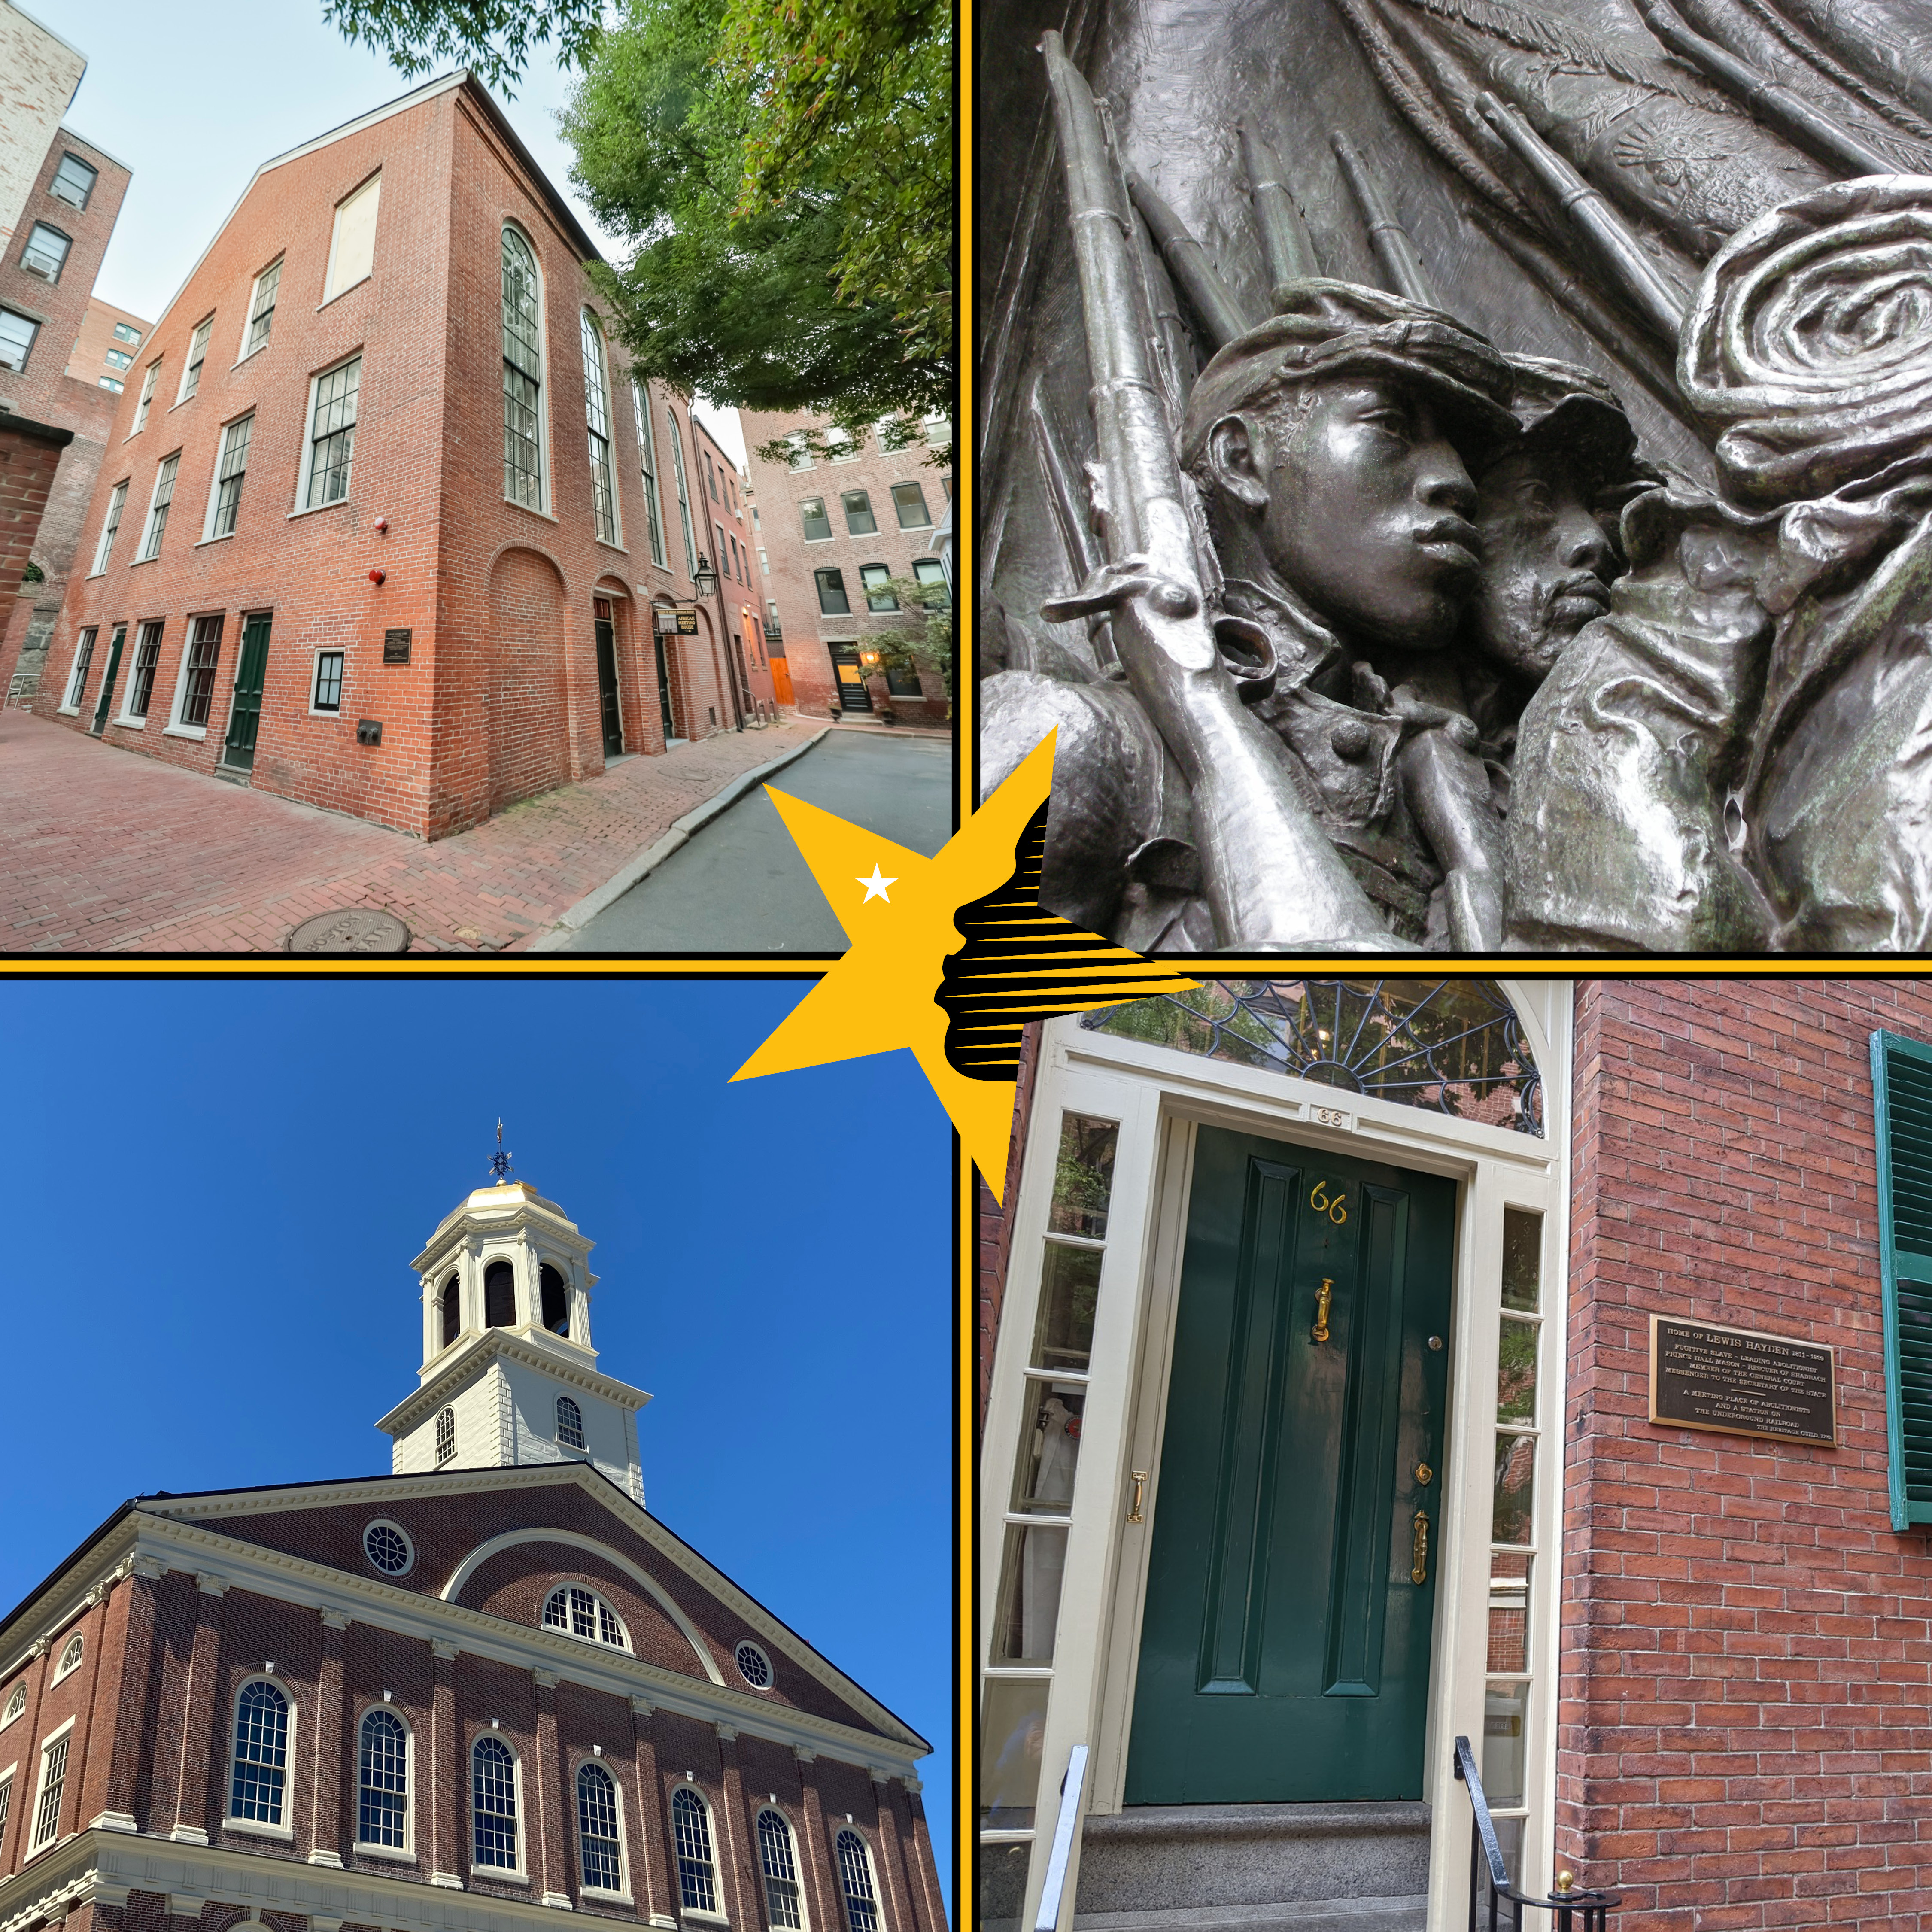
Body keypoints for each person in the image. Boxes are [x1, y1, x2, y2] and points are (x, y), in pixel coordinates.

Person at [981, 277, 1520, 951]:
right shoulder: (1068, 738)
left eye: (1461, 456)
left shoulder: (1444, 776)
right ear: (1241, 461)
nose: (1456, 482)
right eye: (1390, 426)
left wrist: (1476, 864)